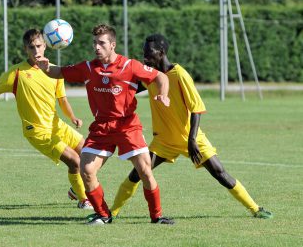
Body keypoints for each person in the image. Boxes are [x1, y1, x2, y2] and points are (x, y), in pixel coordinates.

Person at [110, 34, 273, 219]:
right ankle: (111, 213)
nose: (145, 57)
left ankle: (255, 209)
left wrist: (192, 139)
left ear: (161, 52)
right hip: (163, 141)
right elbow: (129, 87)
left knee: (219, 172)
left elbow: (197, 109)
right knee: (138, 173)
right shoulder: (152, 75)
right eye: (144, 53)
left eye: (149, 53)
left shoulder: (180, 75)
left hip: (191, 137)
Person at [36, 24, 174, 225]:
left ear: (113, 45)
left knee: (145, 170)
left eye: (101, 43)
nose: (97, 47)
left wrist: (163, 94)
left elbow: (160, 76)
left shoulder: (129, 66)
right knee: (86, 170)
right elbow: (59, 72)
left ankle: (157, 216)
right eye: (95, 43)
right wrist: (45, 67)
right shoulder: (89, 68)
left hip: (127, 125)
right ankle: (103, 215)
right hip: (101, 127)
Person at [0, 29, 92, 210]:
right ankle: (83, 199)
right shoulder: (16, 73)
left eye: (39, 46)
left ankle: (74, 189)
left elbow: (62, 99)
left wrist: (72, 117)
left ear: (45, 46)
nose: (36, 50)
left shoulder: (54, 71)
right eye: (31, 47)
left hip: (56, 125)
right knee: (74, 161)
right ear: (26, 49)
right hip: (37, 131)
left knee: (89, 154)